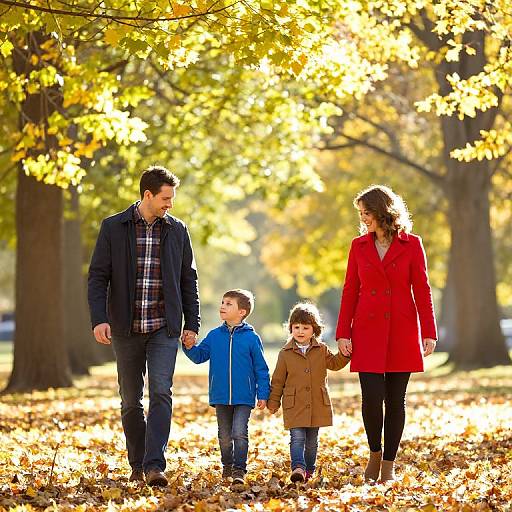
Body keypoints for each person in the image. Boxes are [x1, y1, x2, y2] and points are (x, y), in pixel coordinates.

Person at [88, 165, 200, 487]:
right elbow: (98, 277)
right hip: (125, 328)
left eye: (172, 199)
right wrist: (99, 319)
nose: (170, 205)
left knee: (161, 393)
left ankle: (154, 466)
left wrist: (191, 323)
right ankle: (137, 463)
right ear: (147, 195)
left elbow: (187, 279)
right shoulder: (113, 228)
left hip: (164, 328)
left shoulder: (177, 230)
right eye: (165, 198)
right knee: (130, 401)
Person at [336, 184, 437, 483]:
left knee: (396, 400)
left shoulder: (412, 244)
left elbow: (422, 289)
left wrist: (428, 331)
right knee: (371, 398)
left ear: (382, 211)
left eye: (367, 212)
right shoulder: (359, 246)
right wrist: (344, 332)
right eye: (361, 213)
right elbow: (350, 290)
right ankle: (375, 454)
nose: (363, 218)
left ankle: (389, 464)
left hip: (401, 330)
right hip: (366, 330)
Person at [182, 289, 270, 485]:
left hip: (244, 396)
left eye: (229, 303)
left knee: (239, 432)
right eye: (223, 302)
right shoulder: (214, 336)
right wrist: (188, 346)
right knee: (224, 436)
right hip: (220, 395)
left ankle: (239, 470)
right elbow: (199, 356)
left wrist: (263, 394)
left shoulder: (251, 338)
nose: (223, 306)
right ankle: (227, 467)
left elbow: (261, 369)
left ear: (242, 312)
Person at [267, 302, 350, 483]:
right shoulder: (285, 353)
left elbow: (335, 364)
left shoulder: (321, 350)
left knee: (312, 442)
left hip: (316, 404)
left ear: (314, 330)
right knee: (297, 438)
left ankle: (309, 470)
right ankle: (298, 468)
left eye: (305, 327)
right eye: (296, 327)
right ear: (291, 328)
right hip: (294, 403)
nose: (300, 331)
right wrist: (273, 402)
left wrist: (346, 354)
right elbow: (278, 380)